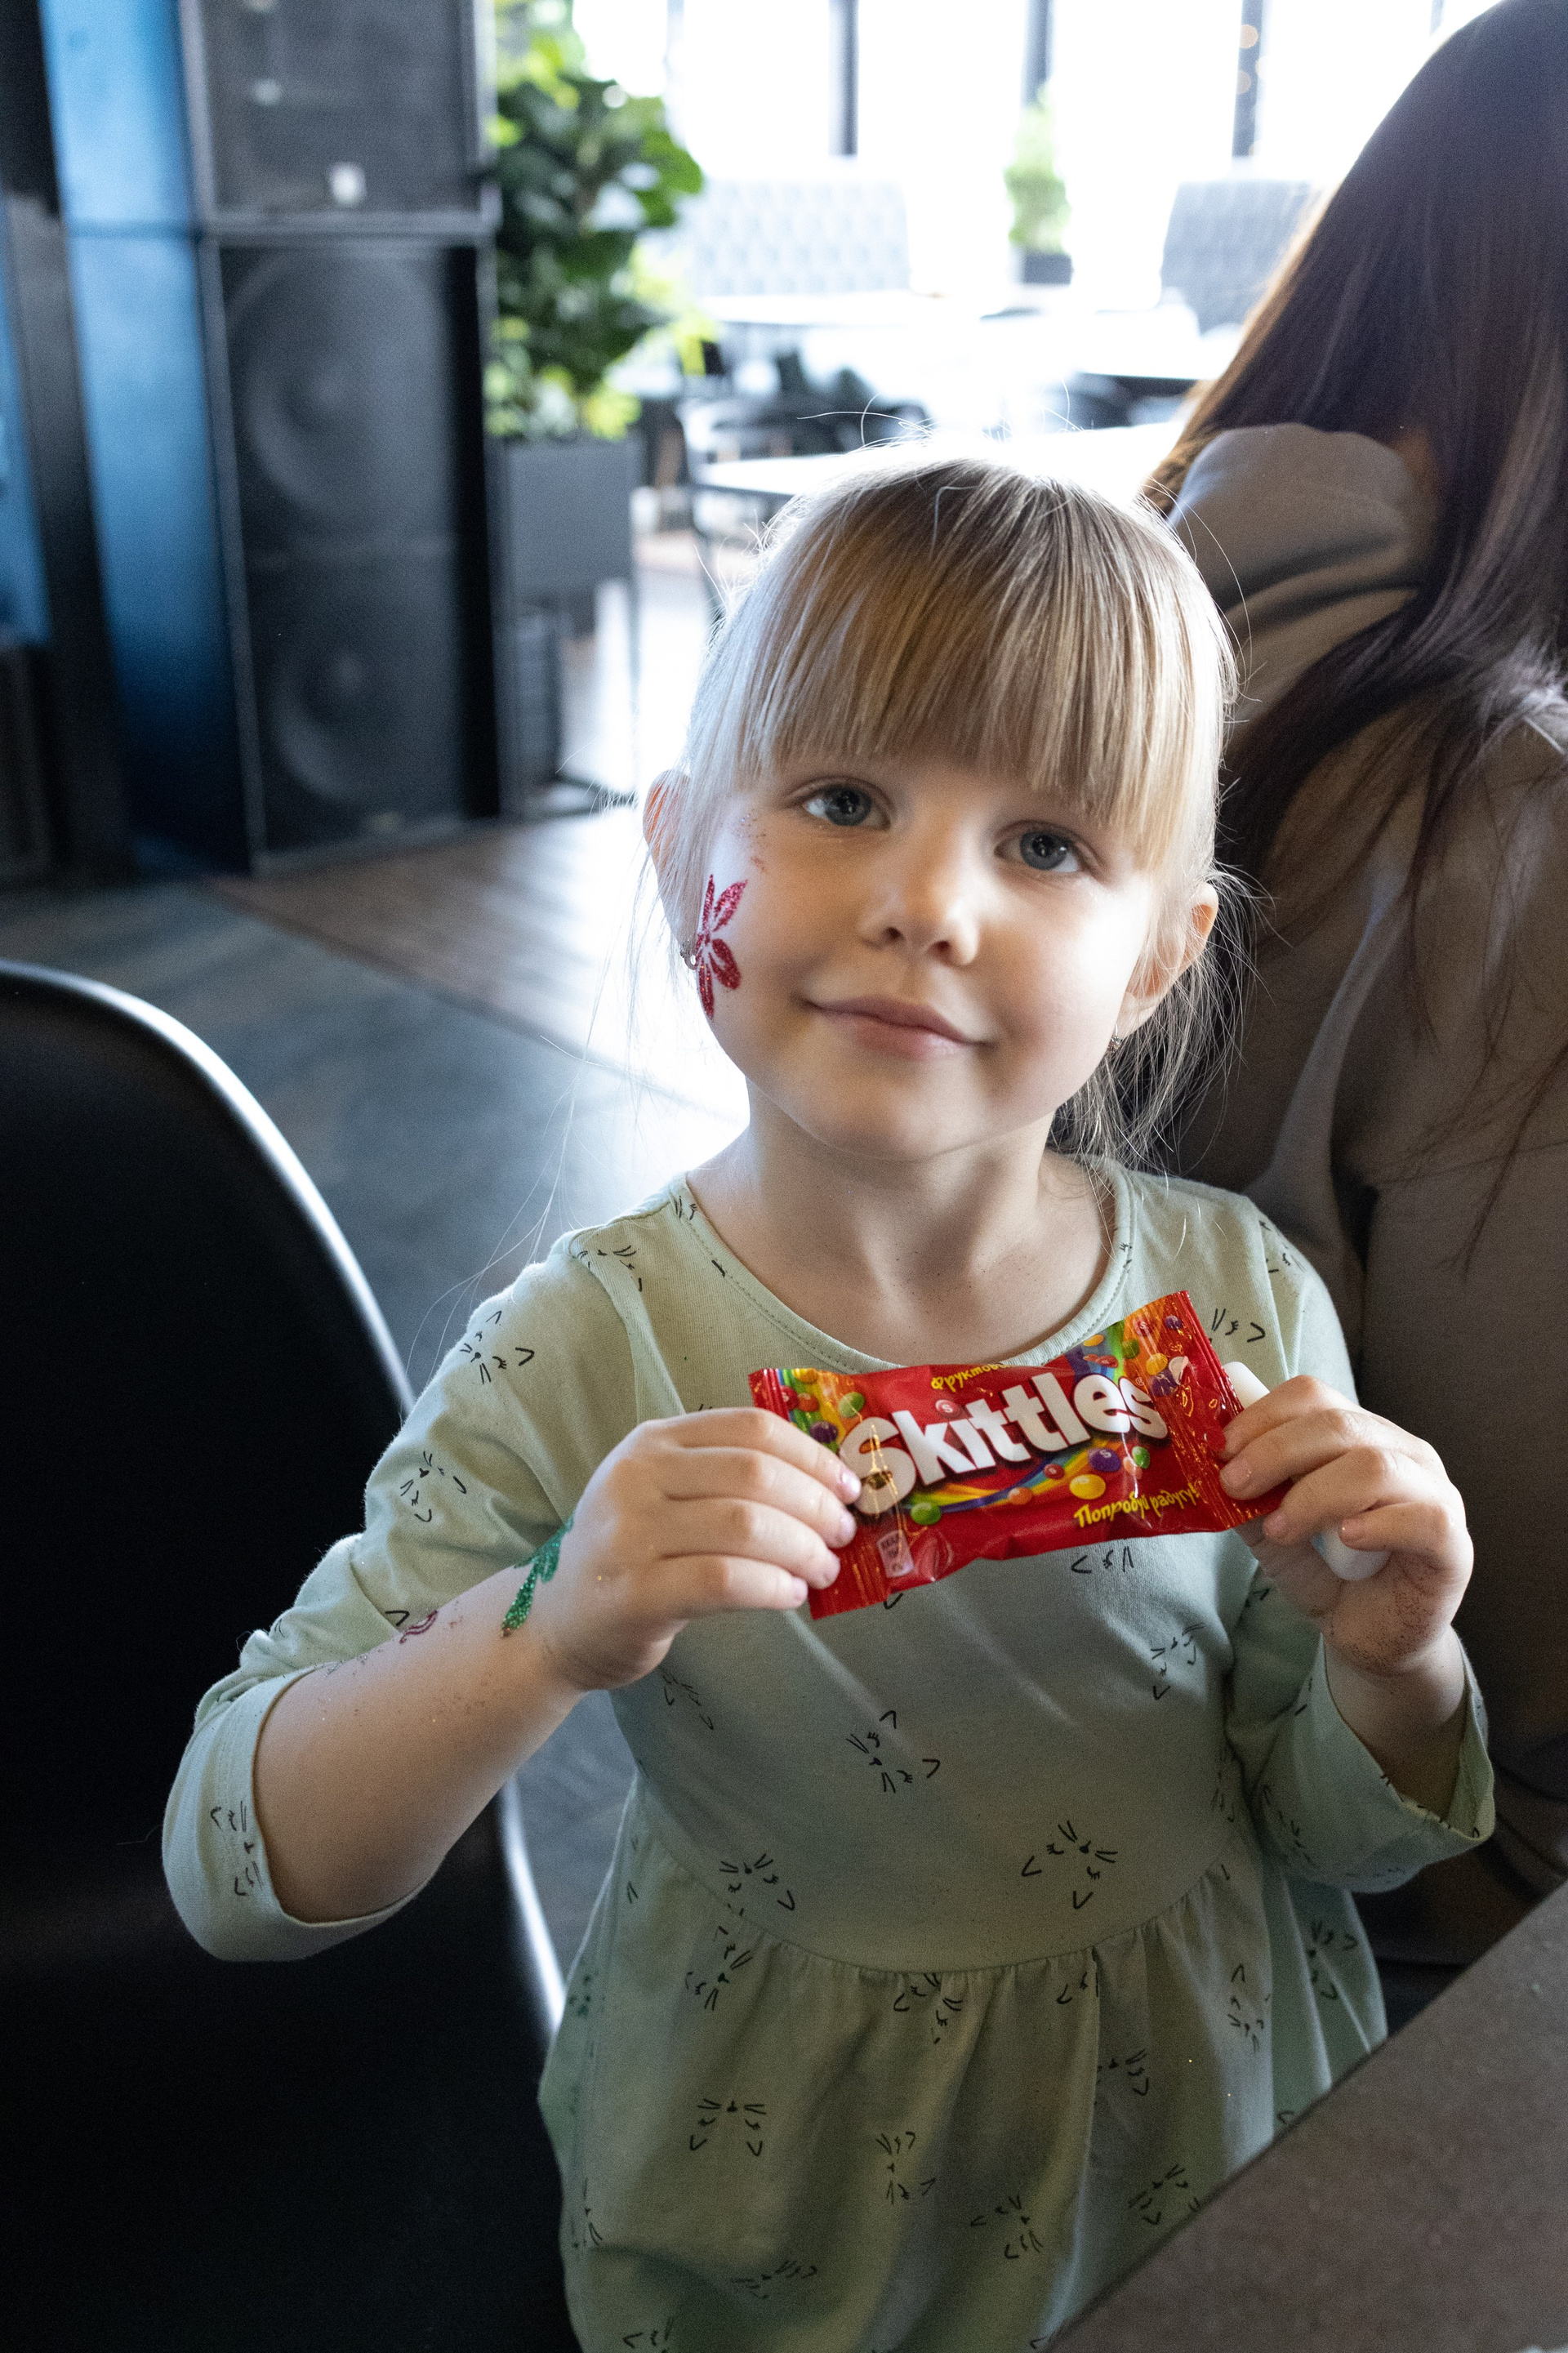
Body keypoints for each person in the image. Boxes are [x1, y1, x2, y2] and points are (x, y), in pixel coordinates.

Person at [165, 458, 1491, 2351]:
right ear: (676, 846)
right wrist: (547, 1622)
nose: (927, 904)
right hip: (773, 2191)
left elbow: (1348, 1830)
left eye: (1047, 845)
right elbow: (234, 1859)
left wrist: (1394, 1656)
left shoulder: (1241, 1303)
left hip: (1200, 2124)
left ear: (1158, 958)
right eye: (843, 799)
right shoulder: (583, 1353)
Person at [1146, 0, 1568, 1988]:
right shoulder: (1518, 815)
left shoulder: (1105, 631)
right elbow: (1533, 1650)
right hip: (1397, 1906)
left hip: (1036, 1777)